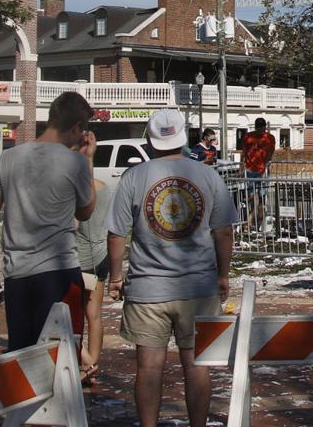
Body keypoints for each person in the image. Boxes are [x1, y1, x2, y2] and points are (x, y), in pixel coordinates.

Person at [106, 109, 238, 427]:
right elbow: (223, 231)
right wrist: (223, 273)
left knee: (149, 368)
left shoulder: (134, 177)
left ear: (151, 140)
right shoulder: (208, 176)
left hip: (148, 287)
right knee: (197, 366)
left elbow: (117, 233)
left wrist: (115, 276)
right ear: (183, 137)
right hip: (197, 286)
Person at [0, 92, 96, 351]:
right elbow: (85, 212)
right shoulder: (74, 161)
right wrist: (88, 159)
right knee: (62, 357)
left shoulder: (8, 158)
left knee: (22, 355)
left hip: (18, 273)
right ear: (76, 128)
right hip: (60, 271)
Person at [76, 171, 112, 386]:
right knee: (94, 315)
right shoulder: (105, 188)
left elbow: (73, 224)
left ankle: (87, 363)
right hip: (101, 254)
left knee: (67, 315)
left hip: (80, 257)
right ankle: (93, 364)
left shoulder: (76, 192)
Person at [240, 118, 276, 228]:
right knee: (251, 197)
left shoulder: (269, 138)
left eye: (262, 128)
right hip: (250, 169)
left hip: (262, 170)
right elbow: (244, 152)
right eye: (259, 129)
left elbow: (270, 154)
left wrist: (266, 166)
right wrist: (242, 165)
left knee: (261, 197)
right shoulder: (248, 136)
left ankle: (256, 221)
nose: (260, 131)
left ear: (265, 127)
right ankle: (251, 220)